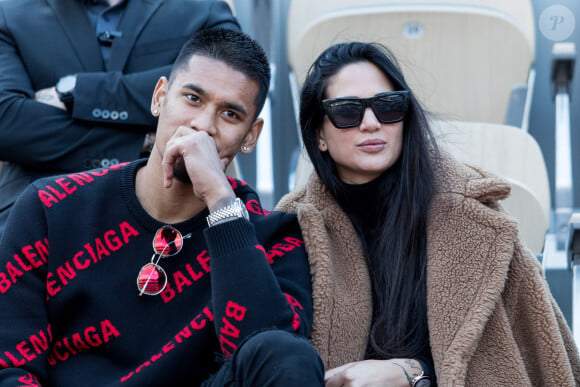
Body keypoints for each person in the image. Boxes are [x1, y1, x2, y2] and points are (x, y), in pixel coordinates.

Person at [0, 28, 324, 386]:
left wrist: (220, 201)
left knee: (287, 352)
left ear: (251, 136)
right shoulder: (50, 206)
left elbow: (272, 359)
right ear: (159, 98)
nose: (203, 125)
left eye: (230, 114)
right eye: (192, 98)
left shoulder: (276, 237)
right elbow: (11, 365)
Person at [276, 41, 580, 386]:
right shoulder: (292, 227)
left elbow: (535, 358)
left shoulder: (474, 218)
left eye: (389, 106)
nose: (372, 123)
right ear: (319, 134)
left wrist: (411, 373)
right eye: (347, 111)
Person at [0, 0, 240, 240]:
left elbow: (232, 80)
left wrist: (82, 91)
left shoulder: (201, 9)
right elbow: (7, 123)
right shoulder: (9, 13)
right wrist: (144, 141)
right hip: (35, 214)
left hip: (170, 213)